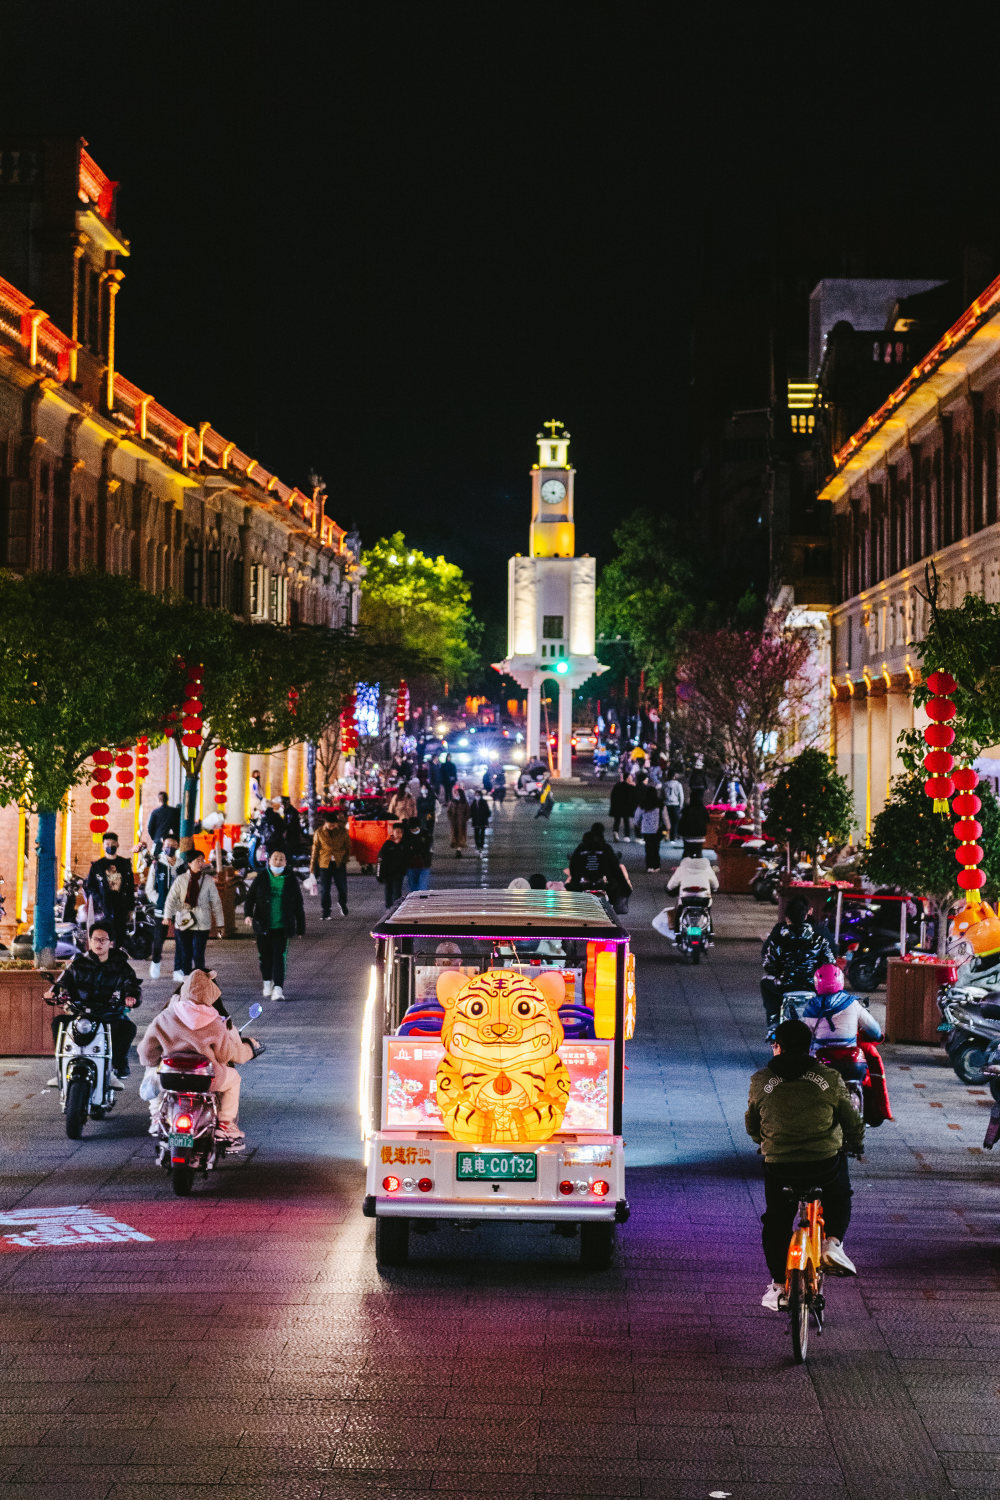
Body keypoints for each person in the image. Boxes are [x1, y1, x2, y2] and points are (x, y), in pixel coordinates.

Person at [746, 1016, 865, 1309]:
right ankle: (833, 1243)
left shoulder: (762, 1080)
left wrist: (763, 1142)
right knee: (840, 1195)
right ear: (809, 1047)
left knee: (775, 1221)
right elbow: (851, 1121)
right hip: (822, 1165)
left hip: (779, 1167)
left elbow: (752, 1123)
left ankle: (777, 1285)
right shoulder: (830, 1078)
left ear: (778, 1047)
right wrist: (856, 1143)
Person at [138, 968, 258, 1141]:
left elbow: (146, 1051)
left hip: (170, 1077)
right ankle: (225, 1123)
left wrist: (150, 1062)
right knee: (234, 1080)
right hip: (205, 1080)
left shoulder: (166, 1016)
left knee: (152, 1072)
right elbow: (225, 1055)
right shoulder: (216, 1021)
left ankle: (157, 1116)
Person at [46, 922, 142, 1086]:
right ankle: (62, 1069)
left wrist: (132, 997)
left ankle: (116, 1066)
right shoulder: (78, 964)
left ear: (110, 943)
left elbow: (132, 985)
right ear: (89, 941)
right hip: (81, 1013)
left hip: (109, 1014)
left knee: (128, 1028)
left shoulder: (121, 966)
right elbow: (63, 981)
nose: (99, 943)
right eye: (96, 939)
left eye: (103, 940)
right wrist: (53, 993)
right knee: (59, 1023)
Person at [761, 894, 836, 1029]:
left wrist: (780, 971)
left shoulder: (778, 937)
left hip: (786, 985)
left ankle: (773, 1020)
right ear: (808, 913)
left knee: (765, 983)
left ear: (787, 916)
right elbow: (830, 962)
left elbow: (768, 963)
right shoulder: (820, 937)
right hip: (813, 985)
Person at [244, 847, 305, 1000]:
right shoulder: (261, 877)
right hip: (263, 925)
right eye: (275, 858)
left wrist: (300, 928)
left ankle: (278, 988)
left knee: (279, 957)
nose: (278, 861)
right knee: (264, 957)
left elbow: (298, 904)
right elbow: (250, 898)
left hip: (282, 926)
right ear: (269, 861)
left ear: (285, 862)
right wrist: (248, 915)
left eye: (281, 859)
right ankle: (267, 982)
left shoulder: (290, 879)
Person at [163, 850, 224, 978]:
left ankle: (199, 979)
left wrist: (220, 924)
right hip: (184, 921)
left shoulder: (208, 880)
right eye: (198, 861)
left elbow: (216, 902)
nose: (201, 863)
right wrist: (167, 916)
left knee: (198, 954)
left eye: (202, 860)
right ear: (189, 863)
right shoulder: (181, 879)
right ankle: (186, 980)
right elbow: (171, 899)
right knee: (186, 953)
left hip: (202, 923)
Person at [83, 831, 136, 949]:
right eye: (107, 844)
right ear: (103, 845)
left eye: (112, 843)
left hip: (121, 904)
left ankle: (118, 958)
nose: (110, 846)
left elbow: (131, 887)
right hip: (104, 906)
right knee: (105, 935)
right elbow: (90, 885)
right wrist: (99, 898)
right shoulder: (97, 865)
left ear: (117, 844)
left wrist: (131, 908)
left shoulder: (125, 864)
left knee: (120, 934)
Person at [145, 834, 180, 978]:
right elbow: (149, 888)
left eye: (172, 845)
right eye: (166, 845)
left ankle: (179, 969)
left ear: (177, 846)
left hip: (179, 909)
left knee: (181, 940)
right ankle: (156, 963)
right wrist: (159, 900)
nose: (169, 848)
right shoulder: (157, 864)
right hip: (161, 908)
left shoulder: (182, 865)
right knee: (159, 938)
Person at [664, 841, 719, 929]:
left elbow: (671, 886)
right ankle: (709, 932)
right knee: (707, 912)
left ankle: (678, 933)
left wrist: (668, 889)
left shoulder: (682, 868)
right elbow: (716, 885)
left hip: (686, 898)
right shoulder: (707, 868)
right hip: (703, 898)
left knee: (679, 912)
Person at [310, 810, 350, 919]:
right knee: (325, 889)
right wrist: (312, 868)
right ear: (325, 823)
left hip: (339, 863)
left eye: (334, 825)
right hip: (324, 864)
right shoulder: (319, 832)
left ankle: (342, 903)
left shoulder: (342, 832)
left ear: (337, 823)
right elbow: (315, 850)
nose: (332, 827)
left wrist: (344, 860)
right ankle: (326, 911)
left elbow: (347, 847)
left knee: (342, 887)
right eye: (330, 825)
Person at [376, 821, 409, 907]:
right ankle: (388, 908)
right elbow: (380, 860)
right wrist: (379, 874)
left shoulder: (404, 845)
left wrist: (404, 870)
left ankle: (396, 908)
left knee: (397, 892)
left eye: (401, 832)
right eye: (397, 832)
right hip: (388, 873)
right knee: (388, 891)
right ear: (393, 832)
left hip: (398, 874)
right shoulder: (387, 845)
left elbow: (406, 858)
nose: (399, 834)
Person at [636, 783, 664, 872]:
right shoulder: (660, 804)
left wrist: (637, 824)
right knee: (656, 847)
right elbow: (665, 816)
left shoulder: (643, 804)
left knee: (648, 848)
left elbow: (637, 817)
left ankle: (649, 866)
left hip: (646, 830)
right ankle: (656, 866)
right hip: (657, 829)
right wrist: (668, 827)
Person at [403, 816, 433, 890]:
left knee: (422, 885)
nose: (413, 830)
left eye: (414, 828)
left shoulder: (426, 834)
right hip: (411, 864)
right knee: (413, 885)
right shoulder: (406, 835)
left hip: (424, 863)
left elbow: (426, 847)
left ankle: (421, 899)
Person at [609, 772, 637, 842]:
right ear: (627, 778)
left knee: (617, 821)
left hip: (617, 806)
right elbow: (633, 798)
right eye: (630, 777)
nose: (632, 778)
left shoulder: (617, 785)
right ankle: (626, 836)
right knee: (626, 821)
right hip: (626, 807)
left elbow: (612, 796)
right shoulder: (630, 787)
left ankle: (615, 832)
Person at [662, 769, 685, 842]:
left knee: (666, 821)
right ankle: (673, 838)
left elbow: (662, 795)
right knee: (675, 822)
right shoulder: (678, 784)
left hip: (667, 804)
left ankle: (665, 836)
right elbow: (681, 796)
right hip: (675, 804)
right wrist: (681, 805)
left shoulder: (665, 784)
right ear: (674, 776)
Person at [447, 784, 469, 856]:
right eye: (455, 793)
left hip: (461, 823)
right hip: (454, 823)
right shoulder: (452, 802)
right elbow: (449, 811)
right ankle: (457, 849)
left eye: (457, 793)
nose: (456, 794)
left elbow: (468, 812)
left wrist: (464, 819)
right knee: (455, 835)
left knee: (460, 835)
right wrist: (451, 819)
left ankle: (459, 850)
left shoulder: (464, 802)